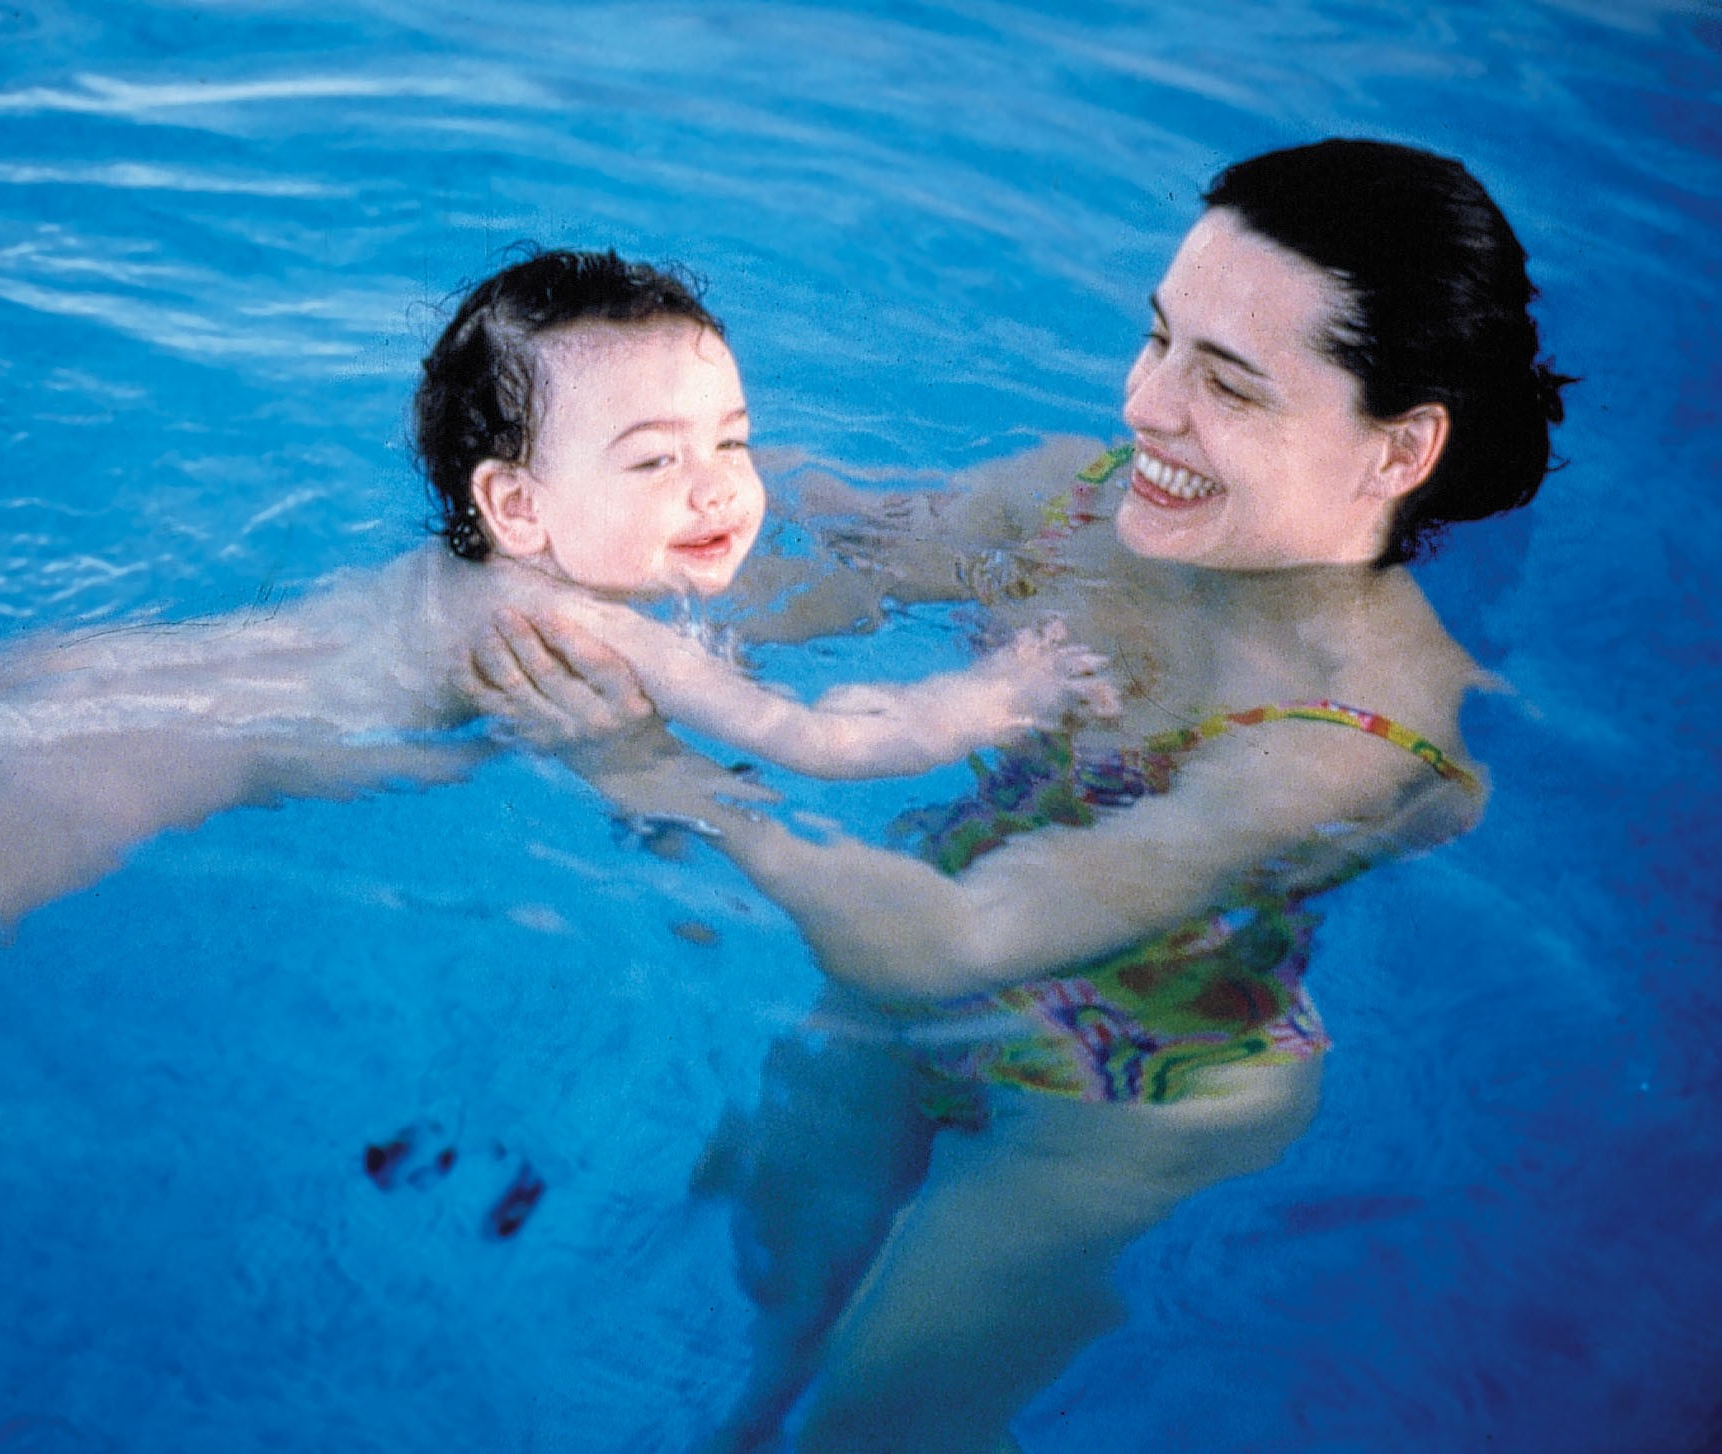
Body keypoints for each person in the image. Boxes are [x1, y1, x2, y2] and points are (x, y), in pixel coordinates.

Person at [462, 140, 1572, 1452]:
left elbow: (957, 946)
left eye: (1225, 383)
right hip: (891, 949)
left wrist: (667, 779)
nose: (1149, 406)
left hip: (1125, 1088)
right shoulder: (1076, 504)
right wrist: (613, 531)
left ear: (1401, 448)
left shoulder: (1360, 732)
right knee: (769, 1324)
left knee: (867, 1425)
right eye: (1159, 341)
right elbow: (792, 591)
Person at [0, 249, 1107, 973]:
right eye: (657, 462)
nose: (721, 488)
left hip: (80, 670)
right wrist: (982, 705)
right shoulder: (606, 627)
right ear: (519, 508)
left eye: (732, 440)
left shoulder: (485, 571)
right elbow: (813, 737)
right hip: (121, 762)